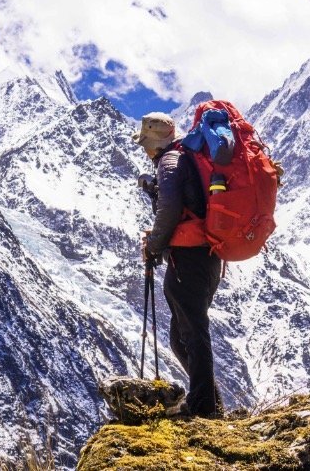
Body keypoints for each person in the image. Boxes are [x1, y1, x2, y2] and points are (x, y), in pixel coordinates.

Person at [132, 112, 227, 418]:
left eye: (145, 142)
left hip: (189, 259)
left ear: (154, 141)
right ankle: (208, 399)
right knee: (180, 337)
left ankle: (204, 408)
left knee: (194, 333)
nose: (144, 149)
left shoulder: (170, 163)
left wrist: (154, 247)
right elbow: (180, 203)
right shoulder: (182, 161)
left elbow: (171, 209)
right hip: (203, 258)